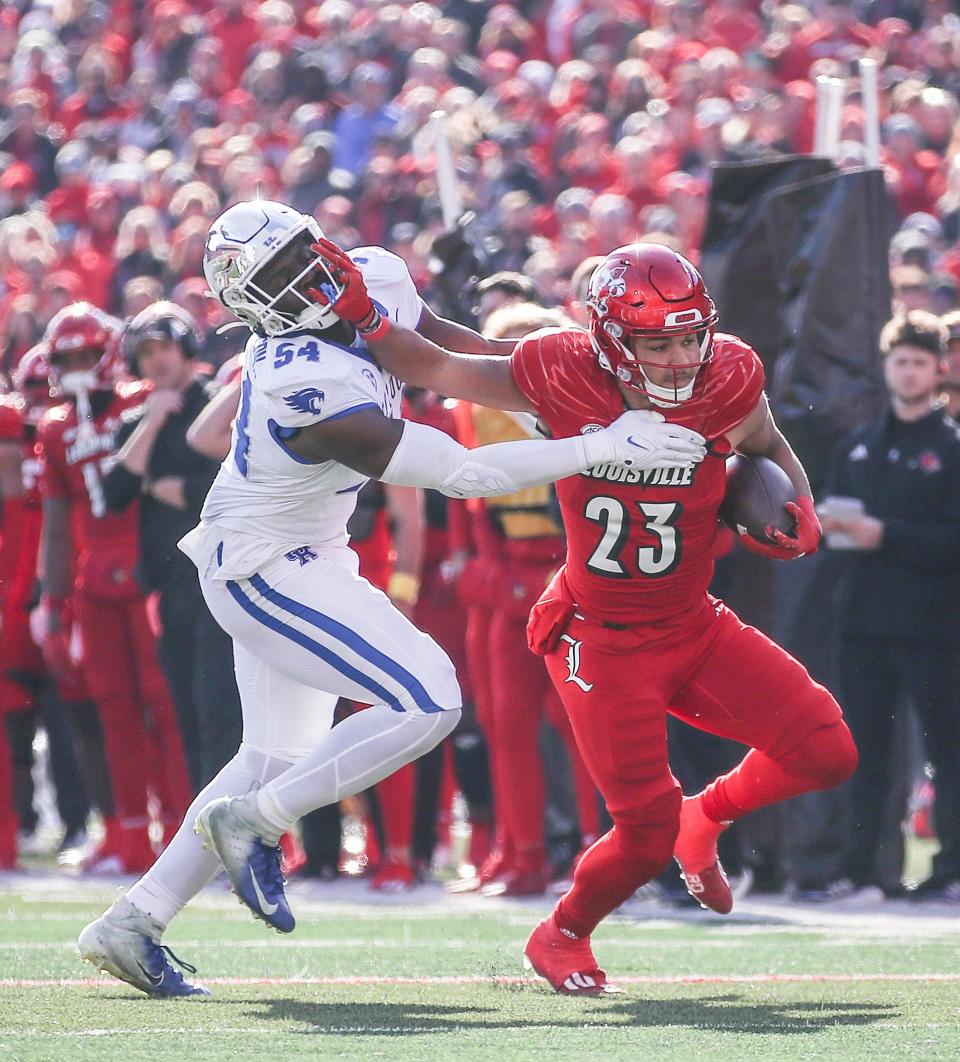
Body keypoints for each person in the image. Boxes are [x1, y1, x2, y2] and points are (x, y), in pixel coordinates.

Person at [77, 200, 705, 997]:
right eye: (278, 275)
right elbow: (464, 472)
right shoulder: (301, 382)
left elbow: (456, 349)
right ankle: (257, 824)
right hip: (262, 564)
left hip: (312, 550)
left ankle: (135, 922)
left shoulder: (373, 273)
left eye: (305, 252)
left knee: (272, 756)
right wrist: (601, 444)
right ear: (250, 304)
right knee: (429, 699)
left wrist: (577, 380)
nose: (306, 276)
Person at [309, 237, 859, 994]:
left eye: (689, 335)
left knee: (826, 749)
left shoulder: (728, 372)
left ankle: (708, 817)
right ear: (610, 342)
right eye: (656, 342)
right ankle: (562, 932)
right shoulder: (565, 372)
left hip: (693, 622)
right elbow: (439, 366)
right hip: (600, 639)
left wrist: (795, 503)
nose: (678, 357)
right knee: (643, 831)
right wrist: (367, 313)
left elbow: (766, 440)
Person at [36, 304, 192, 873]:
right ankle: (129, 833)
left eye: (84, 355)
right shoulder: (55, 428)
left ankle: (181, 826)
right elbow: (55, 523)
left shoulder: (139, 403)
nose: (77, 367)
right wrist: (52, 604)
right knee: (114, 712)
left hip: (149, 566)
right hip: (93, 579)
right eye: (66, 358)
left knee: (167, 705)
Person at [818, 311, 960, 904]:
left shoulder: (951, 448)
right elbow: (830, 516)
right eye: (899, 360)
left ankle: (950, 871)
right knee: (862, 751)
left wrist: (888, 534)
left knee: (947, 748)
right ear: (885, 366)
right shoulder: (857, 446)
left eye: (919, 361)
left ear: (939, 370)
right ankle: (863, 870)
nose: (908, 372)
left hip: (933, 625)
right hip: (863, 622)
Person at [100, 303, 243, 793]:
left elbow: (235, 485)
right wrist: (152, 423)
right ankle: (203, 836)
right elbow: (114, 495)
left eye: (163, 347)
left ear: (185, 348)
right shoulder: (139, 419)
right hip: (171, 588)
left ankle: (235, 836)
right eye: (145, 352)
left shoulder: (214, 403)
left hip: (221, 581)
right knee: (186, 717)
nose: (155, 360)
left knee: (221, 713)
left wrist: (169, 488)